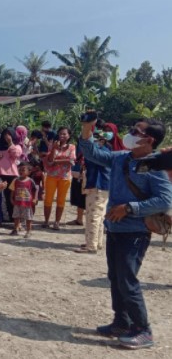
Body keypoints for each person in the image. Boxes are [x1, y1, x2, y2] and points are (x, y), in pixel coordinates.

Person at [80, 117, 172, 349]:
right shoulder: (122, 158)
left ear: (148, 139)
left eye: (135, 131)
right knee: (116, 277)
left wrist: (130, 208)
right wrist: (86, 128)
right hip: (115, 229)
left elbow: (164, 200)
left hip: (135, 231)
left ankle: (143, 331)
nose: (129, 134)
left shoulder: (155, 166)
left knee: (127, 280)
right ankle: (121, 322)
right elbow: (94, 154)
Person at [75, 130, 112, 254]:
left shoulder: (98, 153)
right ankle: (97, 242)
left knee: (93, 217)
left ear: (101, 140)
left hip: (97, 186)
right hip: (102, 186)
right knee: (99, 216)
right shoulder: (106, 152)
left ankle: (91, 245)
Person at [42, 127, 76, 230]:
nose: (62, 135)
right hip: (52, 175)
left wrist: (56, 162)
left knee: (61, 200)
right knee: (48, 199)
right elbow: (50, 160)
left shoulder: (72, 147)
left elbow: (71, 161)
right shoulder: (53, 145)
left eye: (64, 134)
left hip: (65, 177)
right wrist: (53, 149)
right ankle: (46, 221)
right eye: (60, 133)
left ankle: (57, 222)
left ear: (69, 136)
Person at [0, 128, 22, 225]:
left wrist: (10, 143)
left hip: (11, 175)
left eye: (9, 135)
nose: (6, 137)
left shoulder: (17, 146)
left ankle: (13, 218)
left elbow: (16, 154)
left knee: (11, 197)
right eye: (5, 135)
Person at [9, 162, 38, 238]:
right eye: (20, 170)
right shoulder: (15, 180)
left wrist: (35, 199)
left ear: (29, 172)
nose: (21, 171)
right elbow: (13, 190)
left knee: (28, 217)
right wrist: (11, 198)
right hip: (17, 202)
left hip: (27, 203)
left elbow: (35, 190)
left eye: (23, 170)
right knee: (16, 216)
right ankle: (16, 228)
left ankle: (28, 231)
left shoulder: (30, 181)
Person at [69, 141, 86, 226]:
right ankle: (79, 219)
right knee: (79, 197)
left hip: (86, 175)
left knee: (83, 198)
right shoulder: (78, 146)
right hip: (77, 173)